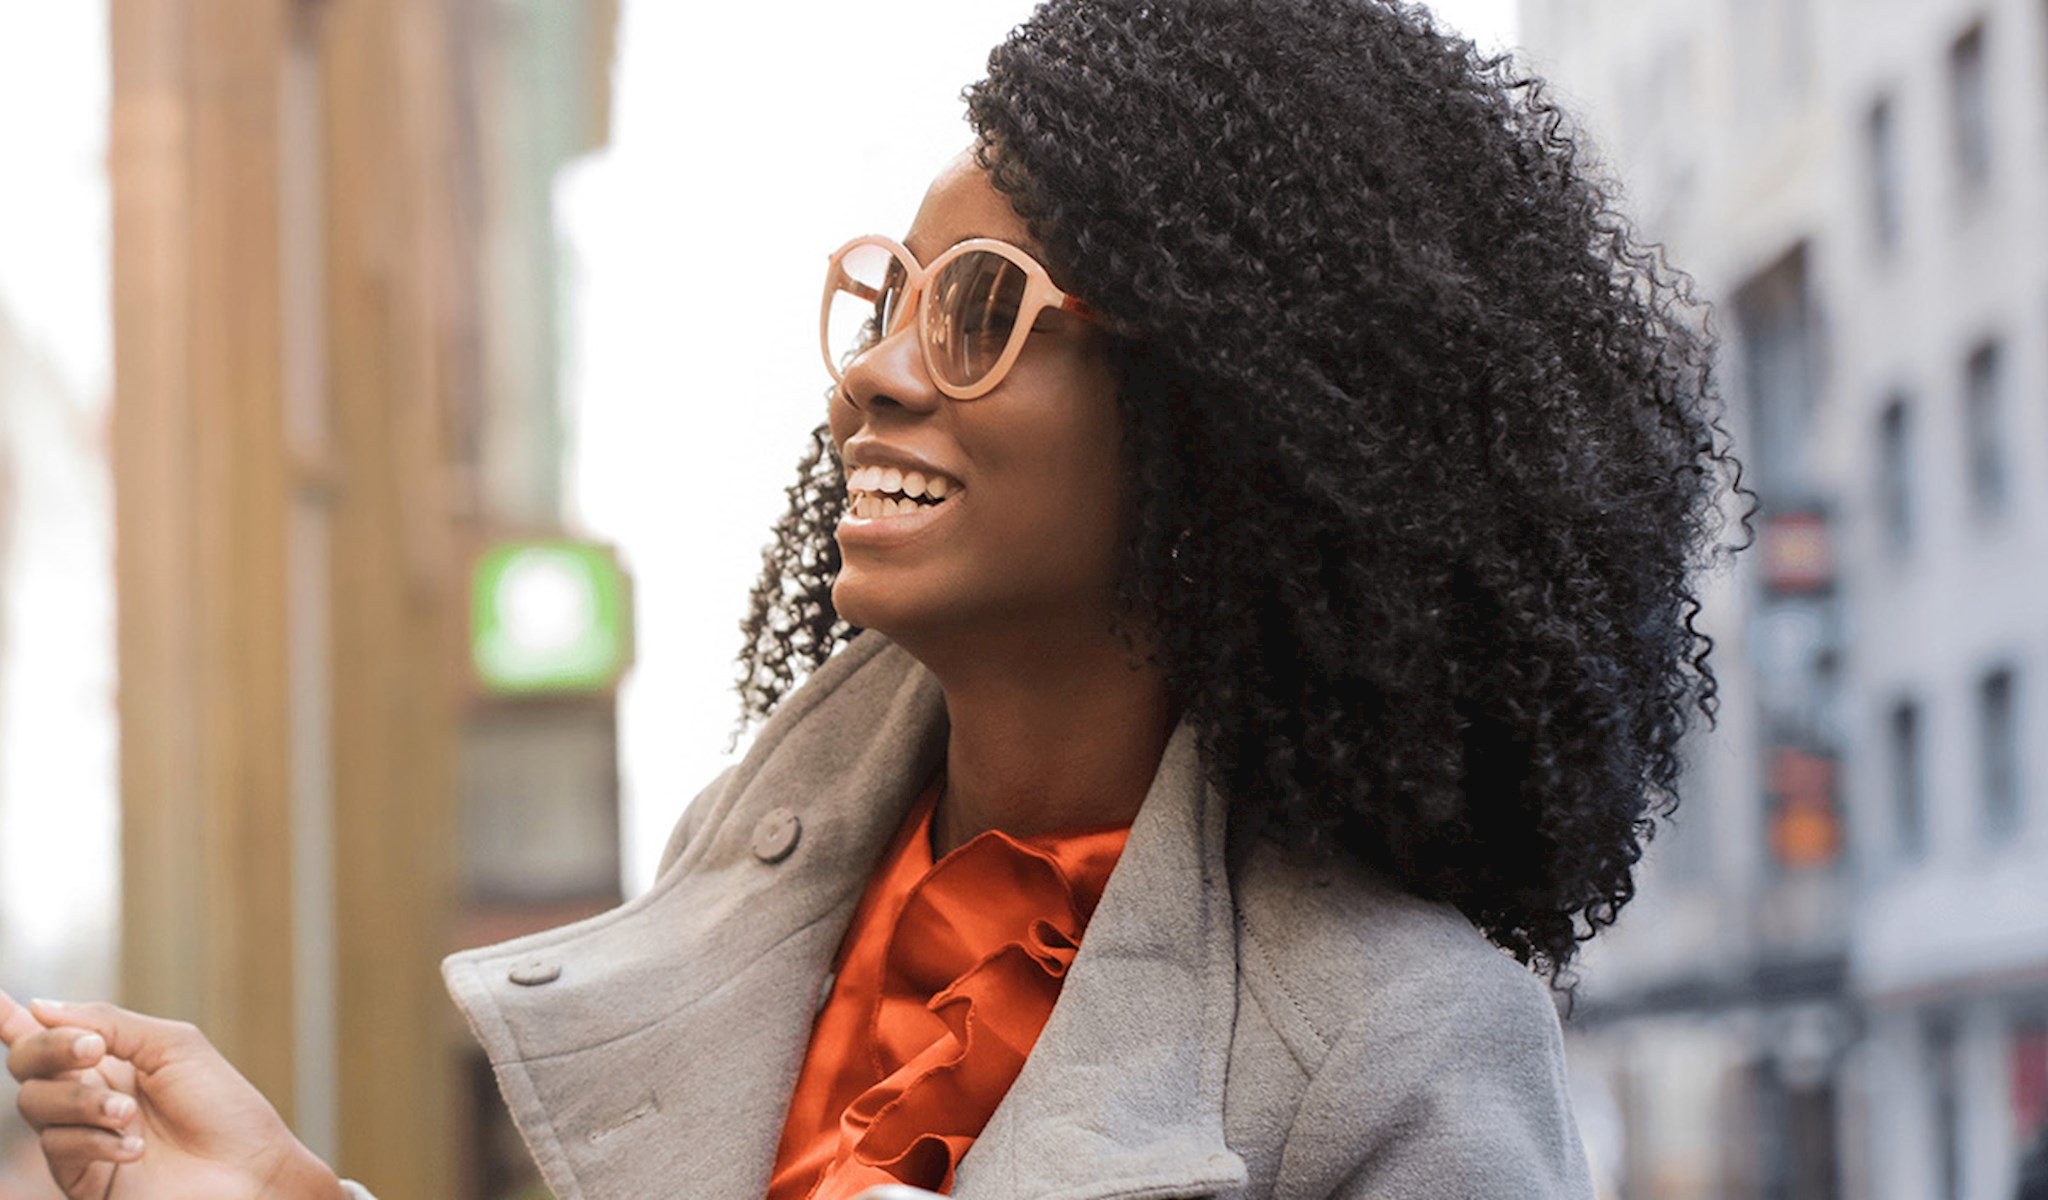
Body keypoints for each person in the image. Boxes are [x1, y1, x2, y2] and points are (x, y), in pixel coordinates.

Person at [3, 0, 1746, 1196]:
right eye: (889, 299)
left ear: (1226, 418)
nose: (875, 382)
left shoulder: (1393, 1040)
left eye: (979, 310)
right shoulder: (766, 861)